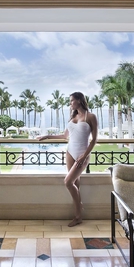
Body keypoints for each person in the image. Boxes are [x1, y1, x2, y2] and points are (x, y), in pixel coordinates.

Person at [38, 92, 98, 227]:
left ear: (79, 100)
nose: (70, 103)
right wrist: (47, 136)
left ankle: (78, 210)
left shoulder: (91, 117)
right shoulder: (73, 117)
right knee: (75, 184)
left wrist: (84, 155)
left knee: (68, 182)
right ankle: (79, 215)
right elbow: (65, 136)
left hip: (82, 154)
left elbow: (94, 140)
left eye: (71, 101)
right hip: (70, 152)